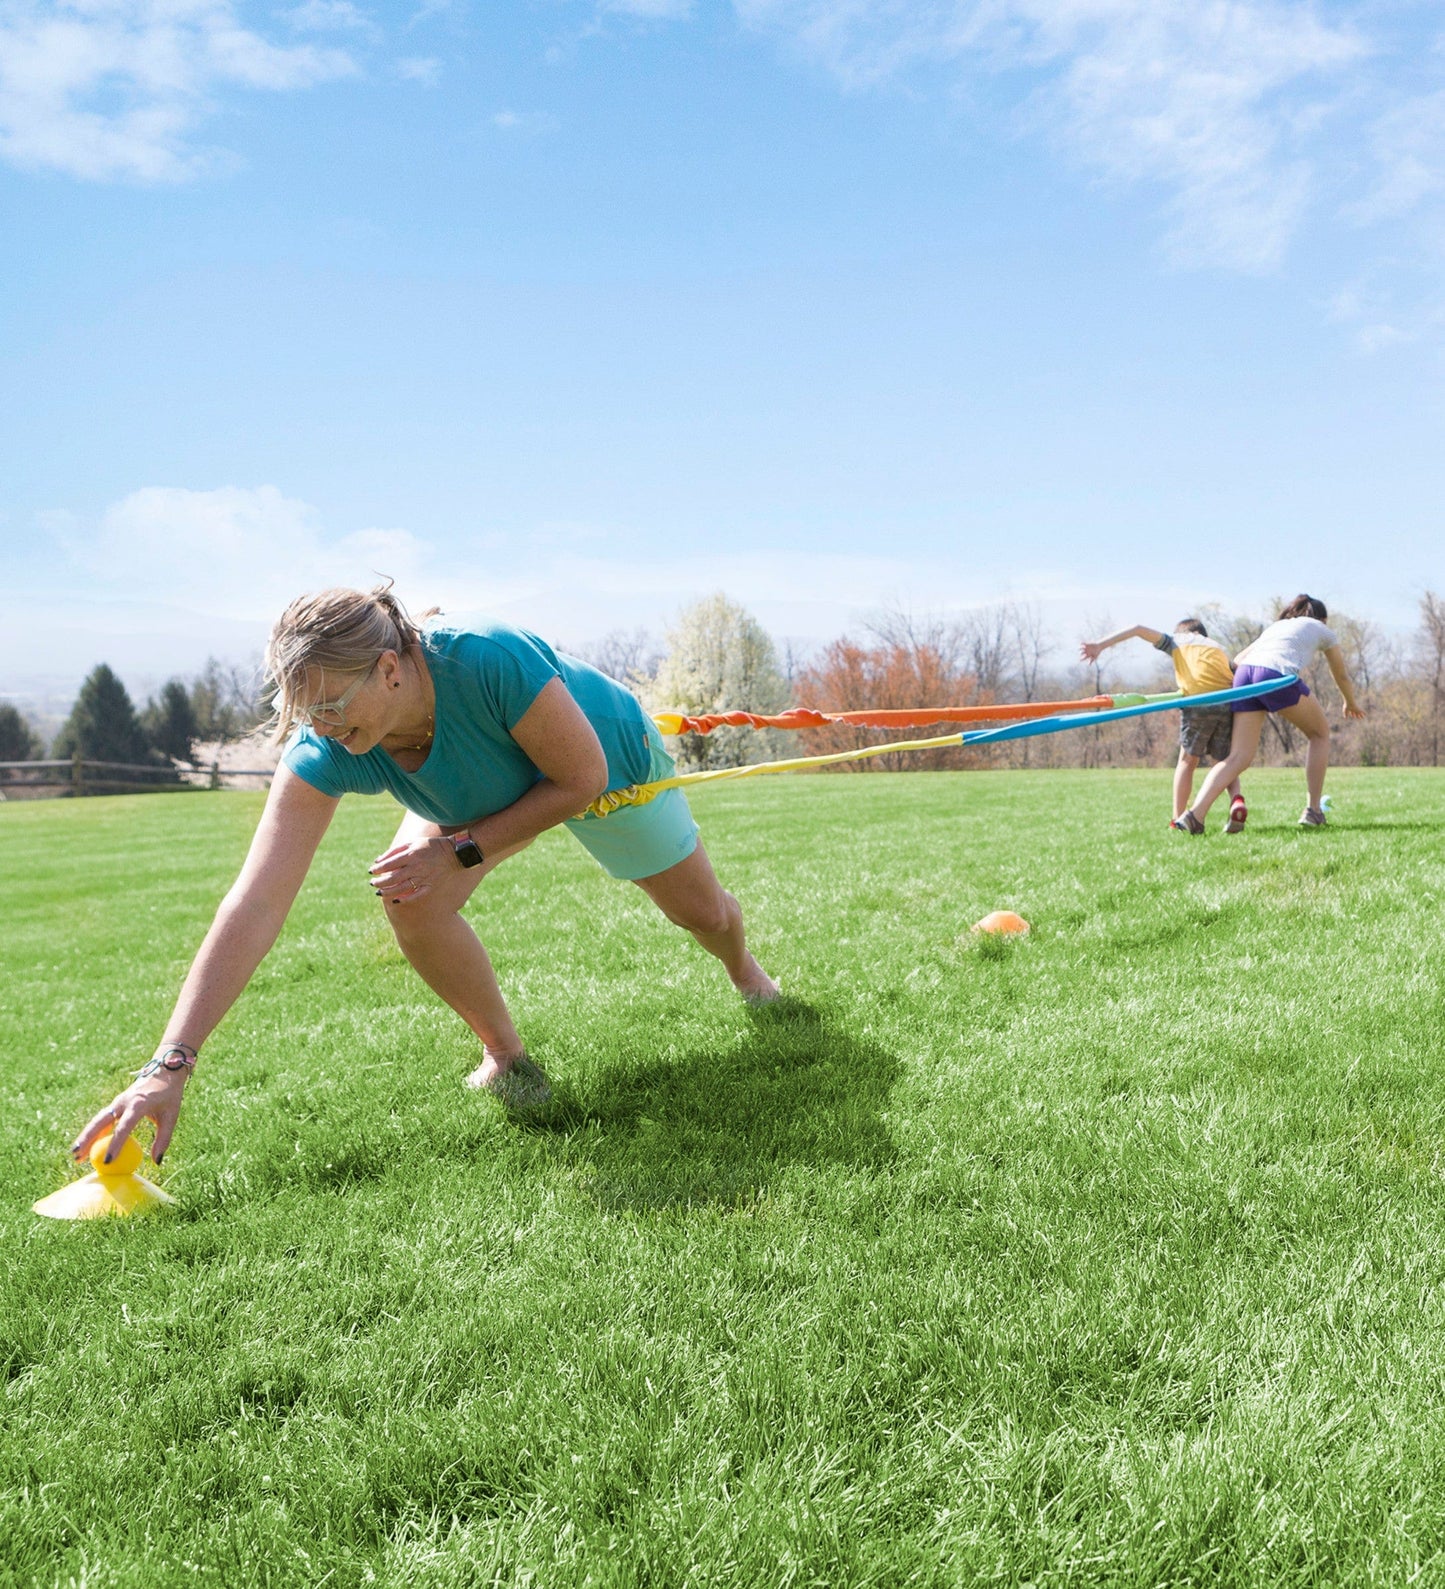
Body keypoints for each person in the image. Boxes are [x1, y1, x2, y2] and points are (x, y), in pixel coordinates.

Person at [71, 584, 780, 1169]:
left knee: (703, 916)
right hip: (472, 796)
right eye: (304, 712)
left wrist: (459, 850)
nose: (319, 727)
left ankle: (747, 973)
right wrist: (170, 1062)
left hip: (603, 762)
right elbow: (254, 902)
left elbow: (579, 777)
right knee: (407, 894)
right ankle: (506, 1055)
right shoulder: (331, 743)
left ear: (389, 668)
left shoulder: (488, 656)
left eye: (330, 706)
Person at [1171, 594, 1365, 834]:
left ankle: (1194, 816)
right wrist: (1350, 702)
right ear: (1322, 619)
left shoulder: (1277, 626)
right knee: (1320, 733)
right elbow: (1342, 675)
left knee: (1238, 757)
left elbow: (1239, 659)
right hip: (1274, 674)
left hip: (1244, 677)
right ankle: (1313, 811)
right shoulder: (1322, 630)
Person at [1079, 618, 1249, 831]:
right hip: (1226, 699)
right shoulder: (1217, 647)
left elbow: (1138, 628)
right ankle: (1237, 800)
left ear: (1183, 632)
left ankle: (1178, 820)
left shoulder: (1177, 640)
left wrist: (1099, 645)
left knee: (1187, 761)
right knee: (1224, 761)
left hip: (1197, 701)